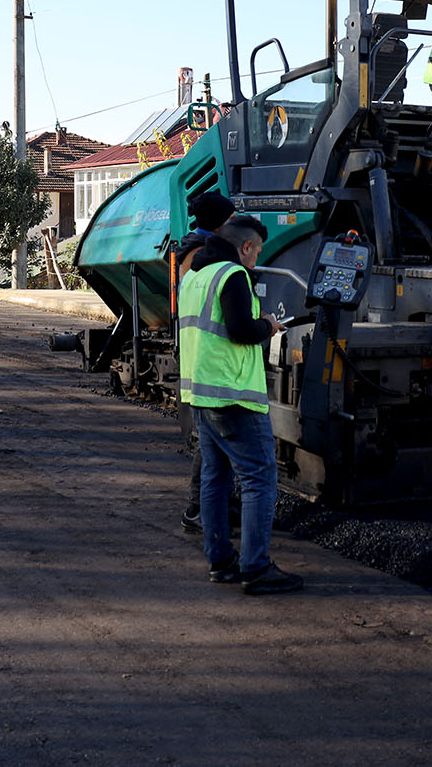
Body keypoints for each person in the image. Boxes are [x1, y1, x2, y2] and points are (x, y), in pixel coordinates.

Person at [177, 213, 302, 594]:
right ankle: (256, 567)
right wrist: (269, 325)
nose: (257, 258)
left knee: (215, 478)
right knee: (259, 479)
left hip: (201, 393)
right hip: (233, 396)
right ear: (245, 247)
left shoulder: (194, 276)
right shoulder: (233, 276)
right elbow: (240, 331)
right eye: (257, 251)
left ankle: (221, 561)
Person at [179, 189, 236, 534]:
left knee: (213, 443)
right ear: (217, 224)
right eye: (230, 220)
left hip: (203, 359)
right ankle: (199, 509)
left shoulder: (194, 250)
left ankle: (209, 508)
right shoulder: (201, 255)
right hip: (207, 362)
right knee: (211, 444)